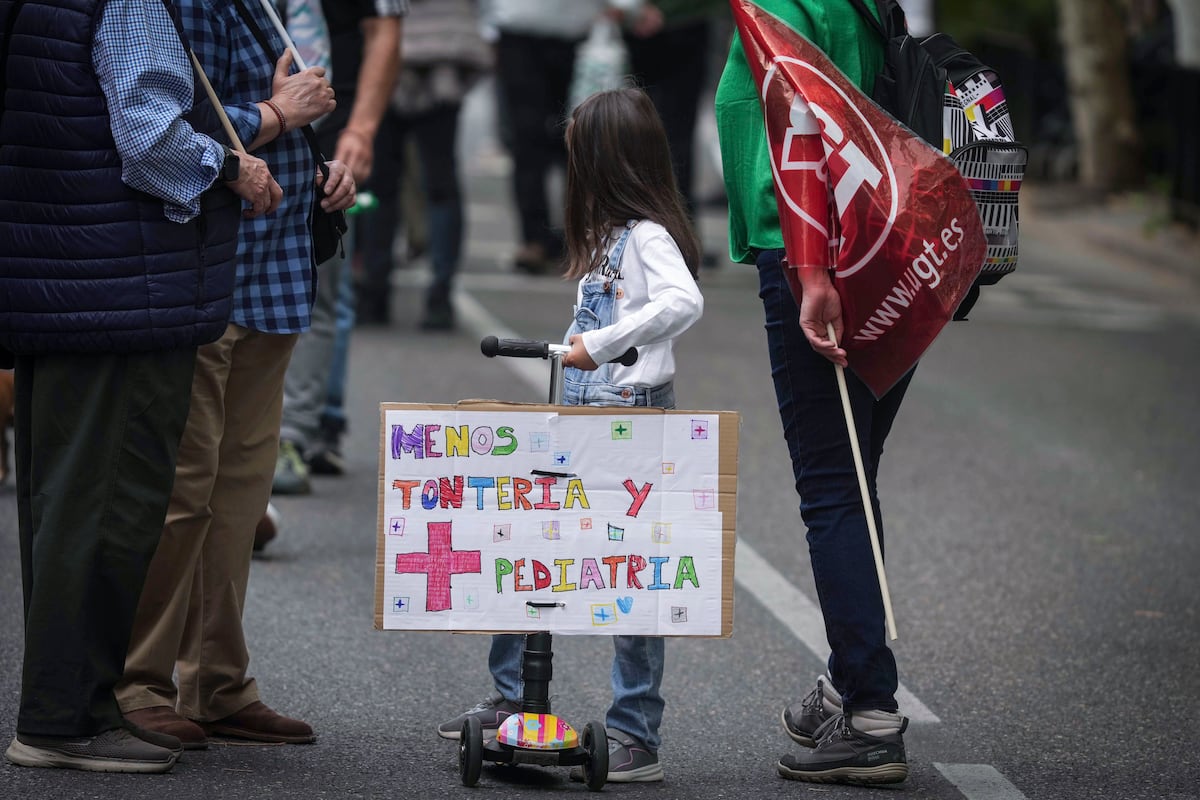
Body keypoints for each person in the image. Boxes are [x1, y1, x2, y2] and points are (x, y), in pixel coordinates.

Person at [0, 0, 280, 773]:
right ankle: (64, 719)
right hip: (123, 284)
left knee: (66, 506)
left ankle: (69, 710)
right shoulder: (128, 3)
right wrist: (233, 165)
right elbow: (149, 135)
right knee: (109, 509)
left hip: (66, 279)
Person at [438, 87, 703, 784]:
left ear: (609, 161)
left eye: (579, 156)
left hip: (631, 406)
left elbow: (684, 302)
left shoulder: (647, 236)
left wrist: (606, 344)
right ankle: (511, 698)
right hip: (585, 404)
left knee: (631, 569)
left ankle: (634, 731)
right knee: (524, 538)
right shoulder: (609, 236)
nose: (571, 172)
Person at [114, 0, 355, 750]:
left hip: (274, 273)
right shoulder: (159, 6)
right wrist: (279, 117)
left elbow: (265, 114)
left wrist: (319, 167)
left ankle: (217, 681)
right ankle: (140, 682)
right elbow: (148, 134)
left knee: (237, 493)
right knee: (182, 492)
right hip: (201, 269)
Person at [714, 0, 911, 786]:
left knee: (833, 486)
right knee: (854, 482)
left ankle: (868, 713)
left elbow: (797, 122)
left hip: (816, 249)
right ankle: (850, 678)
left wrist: (809, 270)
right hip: (887, 244)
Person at [272, 0, 405, 496]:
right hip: (249, 119)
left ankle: (295, 434)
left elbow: (385, 30)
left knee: (318, 280)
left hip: (331, 127)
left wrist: (363, 129)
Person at [479, 0, 645, 275]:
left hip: (574, 33)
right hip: (518, 29)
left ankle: (577, 237)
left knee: (577, 137)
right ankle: (535, 238)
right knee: (529, 139)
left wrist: (626, 7)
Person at [355, 0, 491, 331]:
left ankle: (377, 292)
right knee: (437, 185)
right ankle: (437, 297)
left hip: (390, 45)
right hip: (442, 45)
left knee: (382, 186)